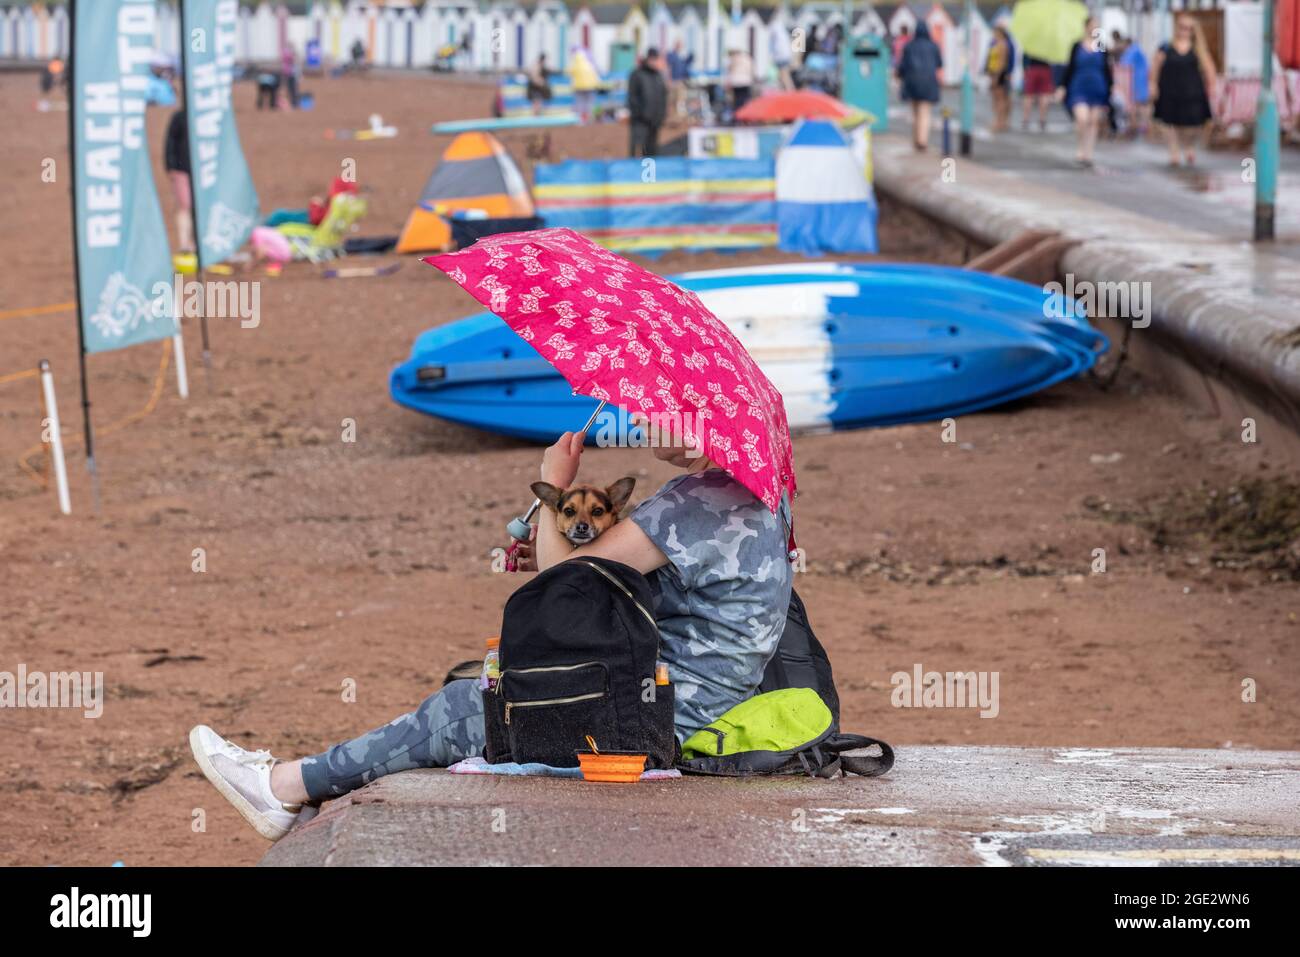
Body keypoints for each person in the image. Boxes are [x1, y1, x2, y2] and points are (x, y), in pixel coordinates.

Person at [189, 423, 794, 840]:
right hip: (710, 690)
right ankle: (304, 784)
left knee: (470, 707)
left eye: (658, 411)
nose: (644, 422)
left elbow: (568, 581)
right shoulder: (752, 487)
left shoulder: (697, 500)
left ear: (692, 424)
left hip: (663, 710)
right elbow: (646, 579)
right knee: (489, 680)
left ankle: (281, 787)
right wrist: (570, 556)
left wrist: (553, 476)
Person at [1152, 15, 1216, 167]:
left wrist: (1212, 86)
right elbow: (1155, 66)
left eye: (1189, 28)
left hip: (1192, 91)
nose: (1184, 31)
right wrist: (1152, 84)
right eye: (1182, 27)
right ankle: (1174, 151)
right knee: (1169, 122)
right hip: (1169, 89)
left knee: (1192, 124)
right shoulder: (1166, 47)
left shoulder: (1198, 48)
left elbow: (1209, 68)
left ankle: (1188, 145)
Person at [1057, 17, 1112, 168]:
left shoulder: (1101, 45)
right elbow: (1069, 67)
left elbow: (1107, 69)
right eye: (1092, 25)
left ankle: (1089, 152)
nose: (1094, 28)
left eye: (1097, 26)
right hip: (1078, 85)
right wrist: (1062, 86)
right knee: (1082, 119)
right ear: (1086, 27)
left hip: (1098, 86)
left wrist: (1110, 86)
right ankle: (1080, 147)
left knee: (1094, 121)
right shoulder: (1077, 46)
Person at [896, 21, 942, 151]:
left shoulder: (909, 46)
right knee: (925, 112)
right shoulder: (933, 46)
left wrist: (899, 76)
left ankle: (916, 139)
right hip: (928, 82)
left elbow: (902, 65)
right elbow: (939, 64)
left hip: (912, 82)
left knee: (915, 112)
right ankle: (922, 140)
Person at [163, 108, 194, 254]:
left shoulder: (207, 117)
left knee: (198, 208)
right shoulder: (180, 117)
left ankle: (196, 243)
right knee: (184, 205)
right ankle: (184, 243)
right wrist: (170, 165)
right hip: (181, 170)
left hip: (203, 172)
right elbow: (170, 141)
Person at [627, 47, 669, 157]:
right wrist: (640, 114)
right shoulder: (637, 74)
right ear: (649, 59)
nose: (657, 62)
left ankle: (650, 173)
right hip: (640, 121)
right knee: (637, 150)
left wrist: (662, 115)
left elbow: (663, 96)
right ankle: (634, 171)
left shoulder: (658, 76)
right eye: (655, 59)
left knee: (652, 151)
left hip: (655, 121)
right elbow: (632, 97)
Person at [985, 25, 1015, 133]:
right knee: (998, 98)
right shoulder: (996, 44)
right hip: (996, 73)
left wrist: (996, 77)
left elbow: (1001, 63)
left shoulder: (1002, 45)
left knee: (1000, 99)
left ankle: (1000, 121)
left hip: (999, 74)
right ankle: (1000, 120)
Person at [1021, 52, 1055, 131]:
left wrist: (1025, 69)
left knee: (1028, 95)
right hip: (1045, 69)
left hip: (1032, 68)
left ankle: (1025, 119)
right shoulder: (1050, 42)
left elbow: (1025, 56)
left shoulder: (1033, 42)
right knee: (1044, 95)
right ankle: (1042, 120)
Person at [568, 46, 600, 123]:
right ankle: (589, 119)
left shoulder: (575, 60)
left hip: (579, 86)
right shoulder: (590, 59)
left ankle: (580, 120)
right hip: (591, 86)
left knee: (580, 103)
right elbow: (597, 71)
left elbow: (570, 71)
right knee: (589, 103)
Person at [666, 40, 694, 117]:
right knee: (672, 100)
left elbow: (685, 66)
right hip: (674, 81)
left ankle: (679, 117)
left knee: (681, 100)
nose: (680, 47)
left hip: (681, 81)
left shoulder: (680, 56)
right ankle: (672, 117)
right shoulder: (671, 55)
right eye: (678, 45)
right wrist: (669, 80)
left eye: (681, 45)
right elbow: (669, 68)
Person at [725, 47, 755, 115]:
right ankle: (744, 114)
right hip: (746, 81)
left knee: (737, 100)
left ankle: (738, 114)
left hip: (736, 82)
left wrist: (727, 82)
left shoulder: (733, 59)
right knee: (745, 99)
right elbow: (751, 70)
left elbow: (730, 71)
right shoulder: (747, 58)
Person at [280, 42, 299, 109]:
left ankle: (292, 103)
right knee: (293, 89)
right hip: (290, 73)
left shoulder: (285, 53)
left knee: (290, 89)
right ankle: (293, 103)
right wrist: (294, 54)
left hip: (287, 72)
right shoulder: (288, 53)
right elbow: (293, 60)